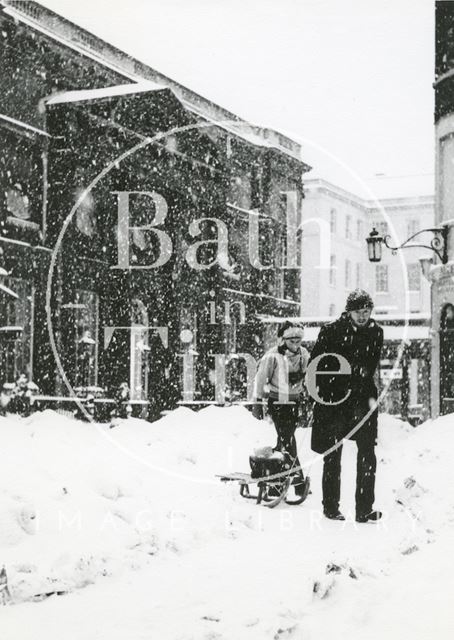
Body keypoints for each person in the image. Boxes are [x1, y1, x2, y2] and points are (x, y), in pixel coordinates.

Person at [309, 289, 383, 523]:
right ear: (348, 312)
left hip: (363, 401)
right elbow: (316, 365)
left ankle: (364, 508)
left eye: (366, 311)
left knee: (367, 454)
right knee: (333, 454)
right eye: (358, 312)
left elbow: (370, 365)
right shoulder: (331, 331)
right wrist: (324, 392)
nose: (362, 316)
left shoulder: (376, 332)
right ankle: (331, 507)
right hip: (335, 401)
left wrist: (359, 375)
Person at [252, 321, 310, 488]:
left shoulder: (304, 354)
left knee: (284, 441)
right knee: (287, 439)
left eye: (299, 340)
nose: (296, 344)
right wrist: (259, 400)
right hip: (277, 402)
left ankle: (276, 476)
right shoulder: (272, 356)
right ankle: (297, 478)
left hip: (294, 402)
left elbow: (309, 375)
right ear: (283, 340)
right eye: (292, 341)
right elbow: (261, 378)